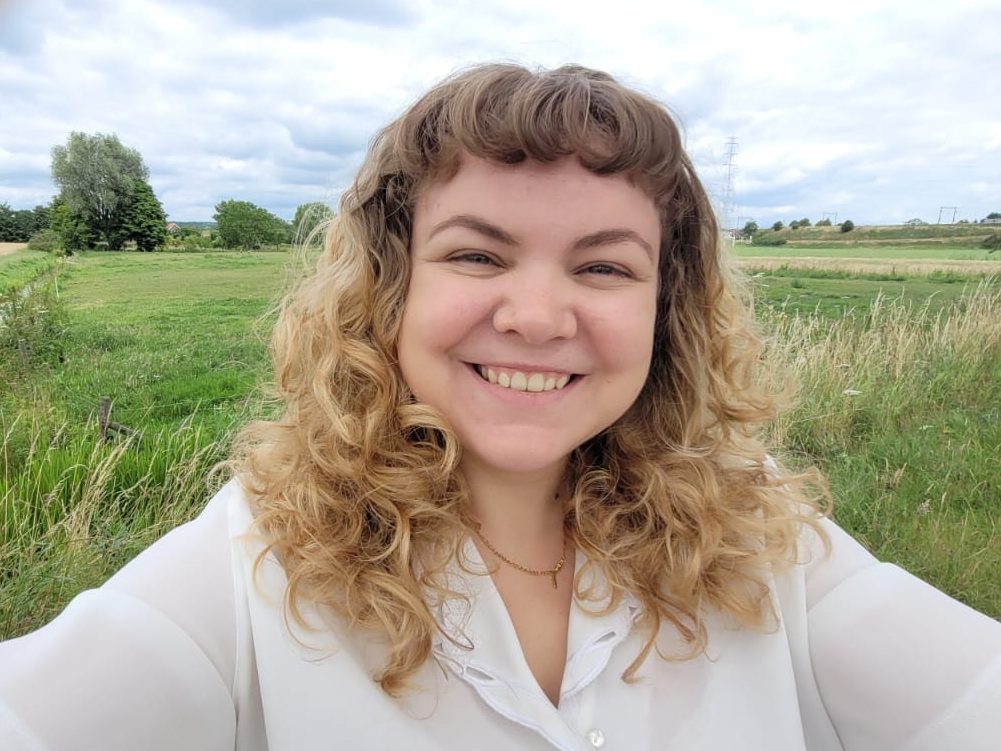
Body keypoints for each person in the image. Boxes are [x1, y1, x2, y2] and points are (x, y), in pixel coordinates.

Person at [1, 63, 999, 751]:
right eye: (477, 254)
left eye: (603, 266)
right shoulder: (251, 565)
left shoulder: (761, 534)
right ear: (391, 289)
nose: (534, 316)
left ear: (663, 310)